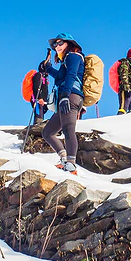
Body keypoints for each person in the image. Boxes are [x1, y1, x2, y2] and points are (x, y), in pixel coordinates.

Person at [41, 33, 85, 174]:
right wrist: (47, 68)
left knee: (68, 129)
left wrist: (66, 94)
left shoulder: (73, 56)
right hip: (65, 96)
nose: (57, 46)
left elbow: (71, 75)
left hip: (71, 95)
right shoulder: (66, 59)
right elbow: (61, 77)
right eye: (55, 44)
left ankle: (71, 165)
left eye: (60, 43)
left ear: (69, 43)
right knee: (47, 132)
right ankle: (64, 159)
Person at [117, 48, 131, 114]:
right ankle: (118, 120)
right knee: (123, 108)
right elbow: (124, 76)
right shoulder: (125, 63)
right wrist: (126, 88)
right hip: (125, 89)